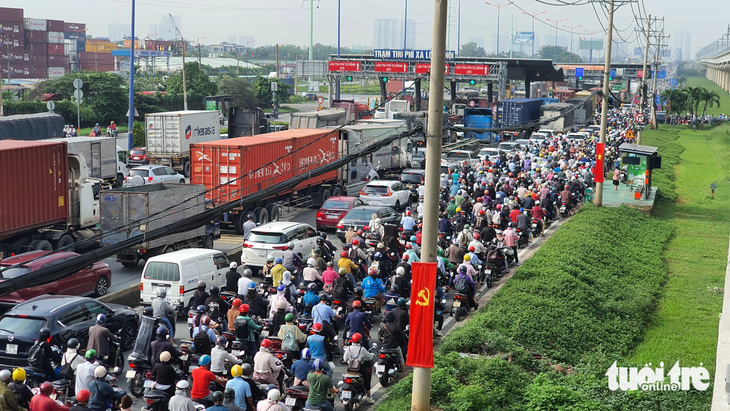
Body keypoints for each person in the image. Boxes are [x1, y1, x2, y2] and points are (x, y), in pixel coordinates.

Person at [342, 333, 375, 403]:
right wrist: (372, 355)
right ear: (360, 340)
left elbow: (344, 359)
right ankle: (368, 397)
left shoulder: (348, 348)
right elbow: (369, 357)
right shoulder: (362, 349)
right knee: (367, 379)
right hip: (359, 369)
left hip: (350, 369)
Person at [377, 312, 408, 379]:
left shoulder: (383, 327)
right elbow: (402, 336)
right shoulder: (396, 327)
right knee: (401, 358)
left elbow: (380, 336)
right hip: (394, 347)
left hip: (384, 347)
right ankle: (404, 374)